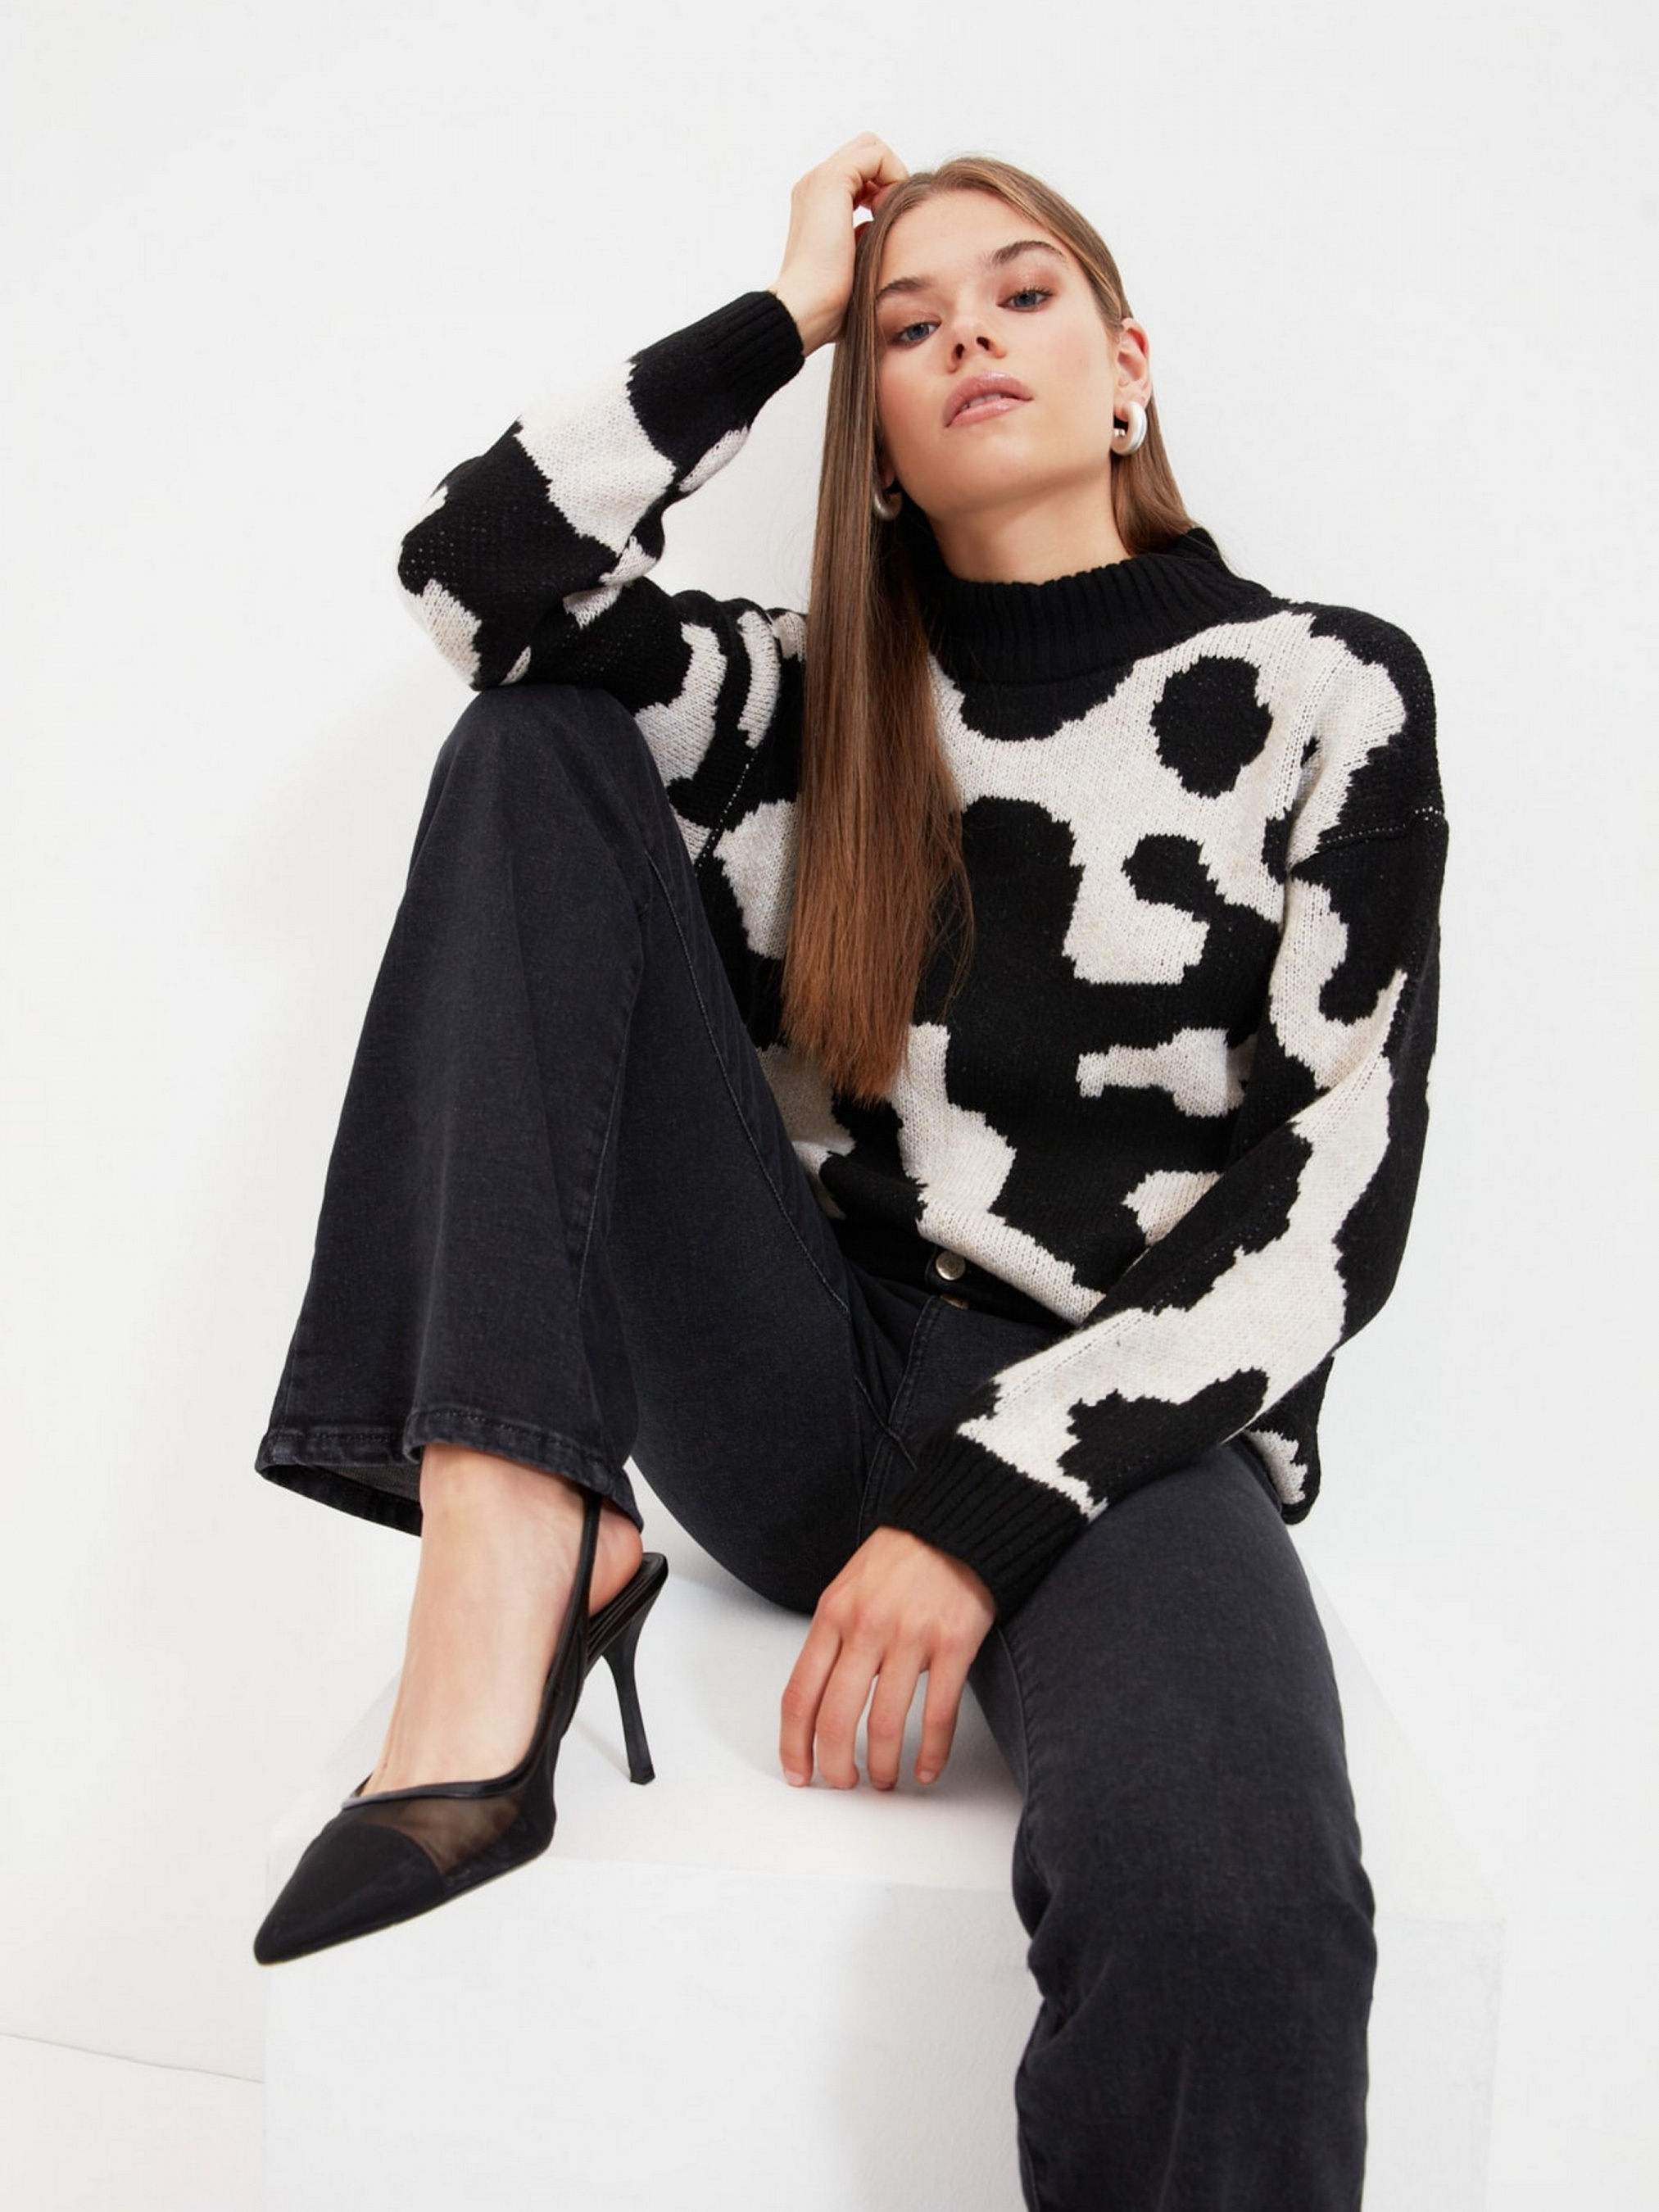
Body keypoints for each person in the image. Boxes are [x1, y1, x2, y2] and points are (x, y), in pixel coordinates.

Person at [252, 132, 1448, 2210]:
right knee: (530, 739)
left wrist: (987, 1507)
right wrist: (780, 314)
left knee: (1239, 1911)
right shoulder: (797, 695)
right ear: (870, 434)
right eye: (907, 328)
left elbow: (1331, 1188)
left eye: (1021, 295)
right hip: (785, 1367)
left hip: (1118, 1434)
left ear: (1125, 368)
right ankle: (512, 1527)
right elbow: (477, 573)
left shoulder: (1319, 693)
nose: (966, 335)